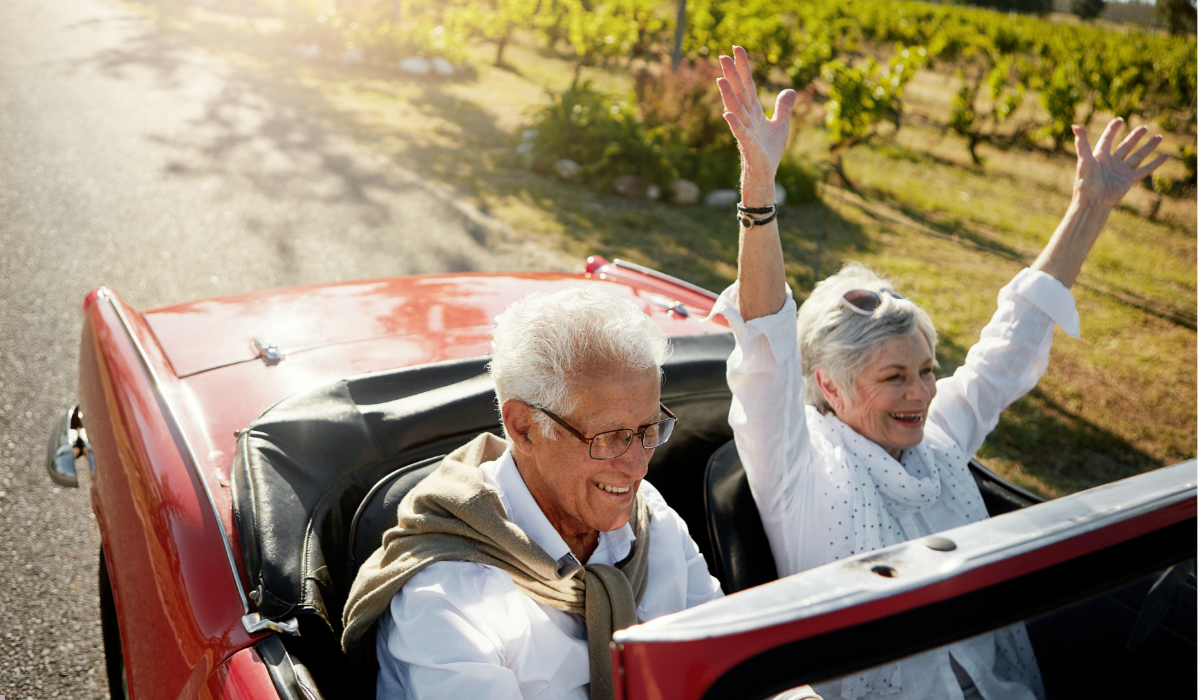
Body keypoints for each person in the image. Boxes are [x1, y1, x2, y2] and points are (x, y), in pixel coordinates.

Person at [710, 46, 1169, 700]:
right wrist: (759, 188)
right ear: (829, 386)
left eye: (926, 370)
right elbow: (766, 346)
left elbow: (1011, 340)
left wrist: (1090, 205)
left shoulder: (935, 440)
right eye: (894, 377)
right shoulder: (796, 469)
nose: (922, 393)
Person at [341, 287, 816, 700]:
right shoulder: (448, 595)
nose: (637, 466)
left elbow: (735, 661)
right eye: (609, 437)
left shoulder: (651, 519)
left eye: (649, 429)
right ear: (524, 428)